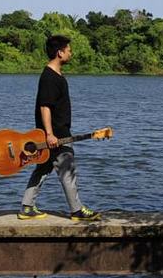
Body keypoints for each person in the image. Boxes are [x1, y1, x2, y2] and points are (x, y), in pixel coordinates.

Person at [17, 34, 101, 221]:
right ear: (59, 52)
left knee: (44, 167)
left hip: (54, 133)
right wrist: (49, 134)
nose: (71, 53)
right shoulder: (49, 77)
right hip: (56, 134)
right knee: (67, 168)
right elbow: (44, 106)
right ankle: (76, 210)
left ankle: (27, 207)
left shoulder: (56, 75)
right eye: (68, 50)